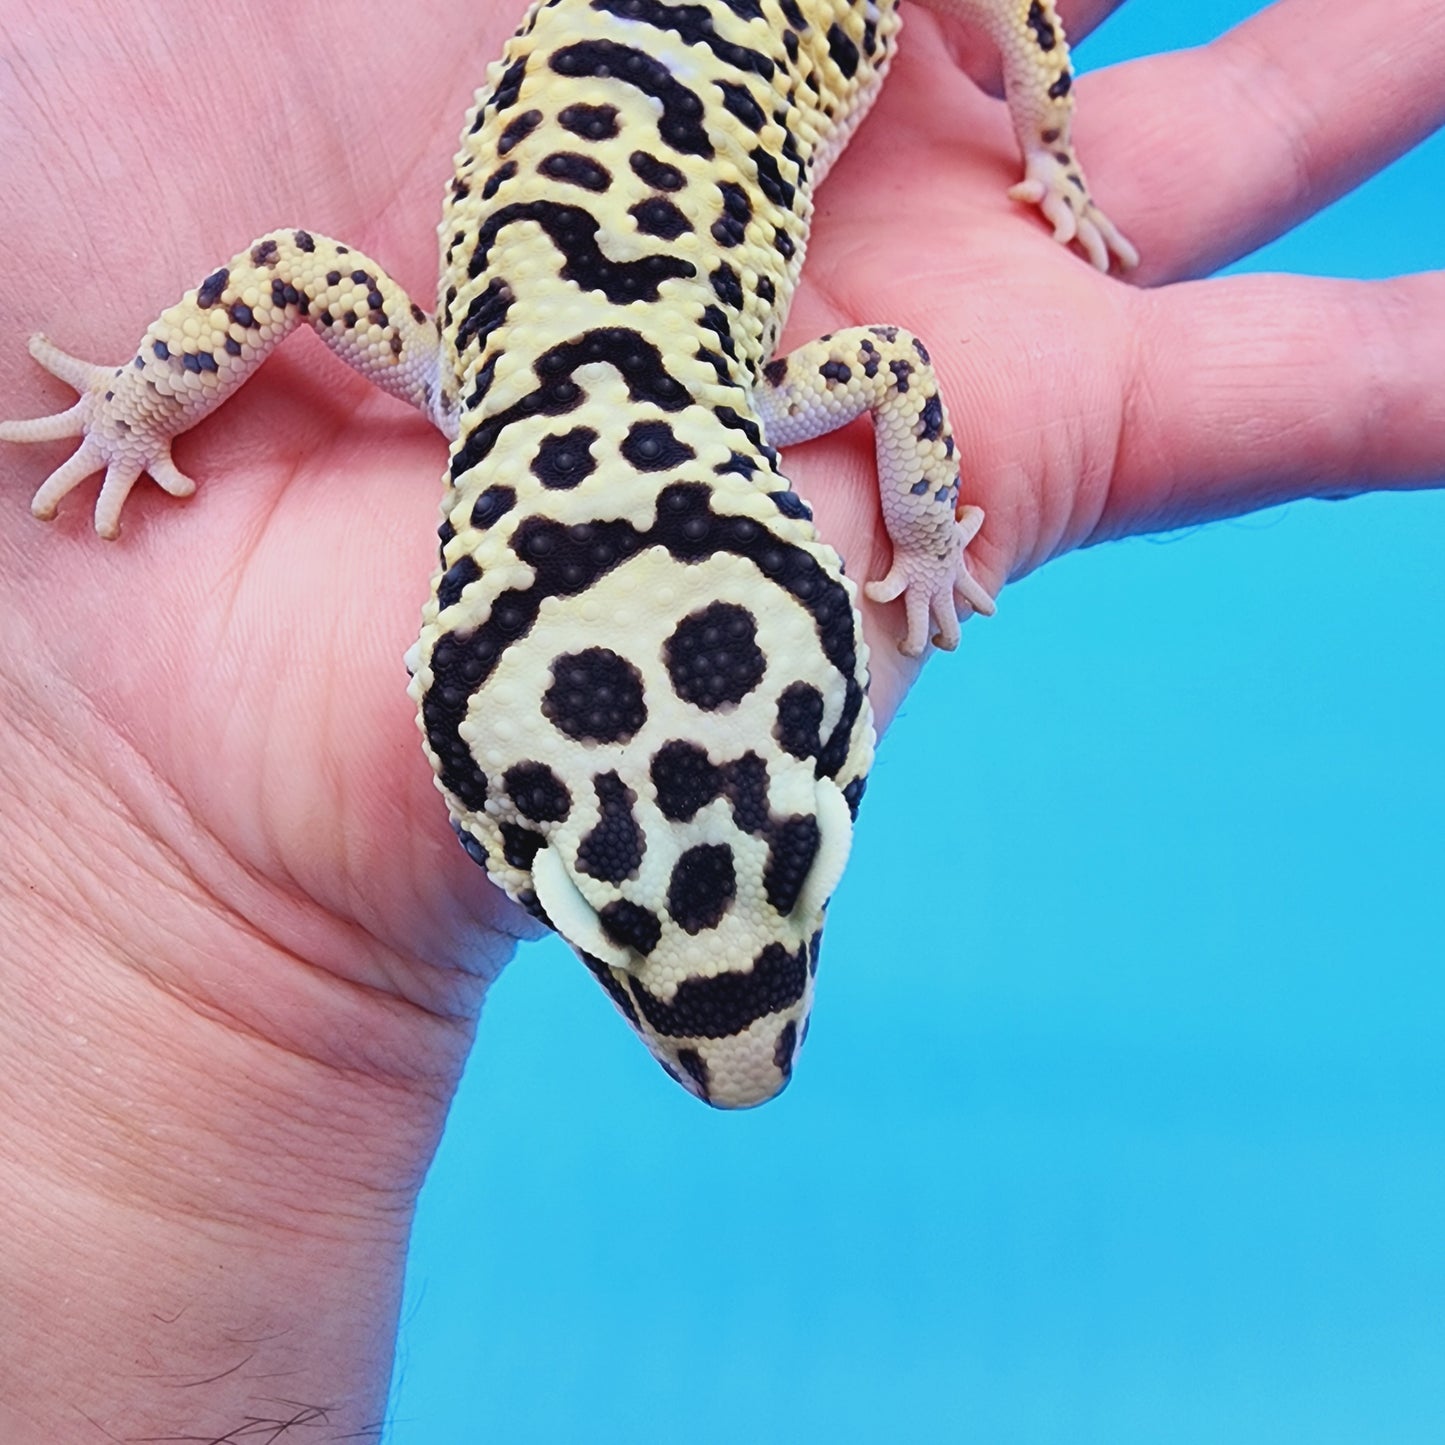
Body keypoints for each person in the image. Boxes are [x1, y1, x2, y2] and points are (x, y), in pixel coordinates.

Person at [1, 0, 1440, 1437]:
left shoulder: (506, 376)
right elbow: (294, 268)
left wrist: (1041, 141)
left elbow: (881, 368)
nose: (746, 1041)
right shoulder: (508, 373)